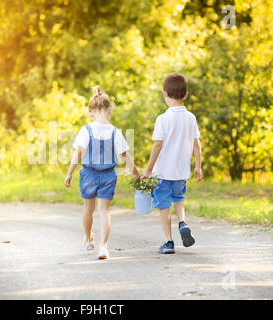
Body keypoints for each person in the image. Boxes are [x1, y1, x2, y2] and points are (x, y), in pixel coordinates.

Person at [64, 86, 140, 259]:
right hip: (108, 175)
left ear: (90, 112)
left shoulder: (86, 130)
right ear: (110, 111)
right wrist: (135, 173)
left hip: (88, 174)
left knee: (87, 209)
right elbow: (124, 155)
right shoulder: (115, 132)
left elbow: (78, 152)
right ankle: (103, 246)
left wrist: (69, 173)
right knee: (104, 211)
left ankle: (88, 238)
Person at [141, 73, 203, 254]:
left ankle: (169, 242)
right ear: (185, 95)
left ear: (164, 93)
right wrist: (198, 166)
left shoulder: (163, 119)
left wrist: (148, 169)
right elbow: (196, 144)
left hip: (162, 173)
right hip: (181, 172)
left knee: (163, 206)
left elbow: (157, 145)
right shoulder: (191, 118)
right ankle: (182, 222)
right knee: (178, 199)